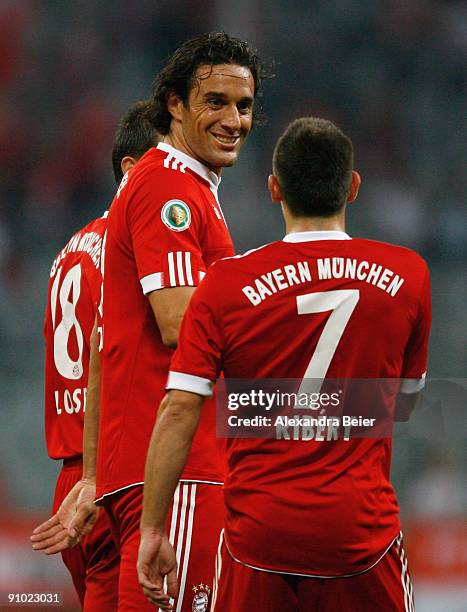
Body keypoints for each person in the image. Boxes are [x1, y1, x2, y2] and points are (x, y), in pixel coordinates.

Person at [137, 117, 431, 611]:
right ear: (353, 187)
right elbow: (405, 403)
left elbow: (178, 411)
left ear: (274, 188)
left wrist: (152, 528)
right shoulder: (408, 275)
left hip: (259, 536)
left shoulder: (225, 285)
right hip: (360, 533)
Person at [67, 32, 268, 612]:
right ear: (174, 106)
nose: (234, 120)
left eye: (245, 105)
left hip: (142, 471)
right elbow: (180, 320)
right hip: (178, 471)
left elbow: (110, 341)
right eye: (217, 102)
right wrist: (271, 308)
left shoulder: (184, 187)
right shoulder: (169, 187)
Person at [30, 99, 159, 610]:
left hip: (76, 477)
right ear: (130, 170)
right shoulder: (135, 248)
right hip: (116, 476)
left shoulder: (69, 251)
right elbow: (105, 347)